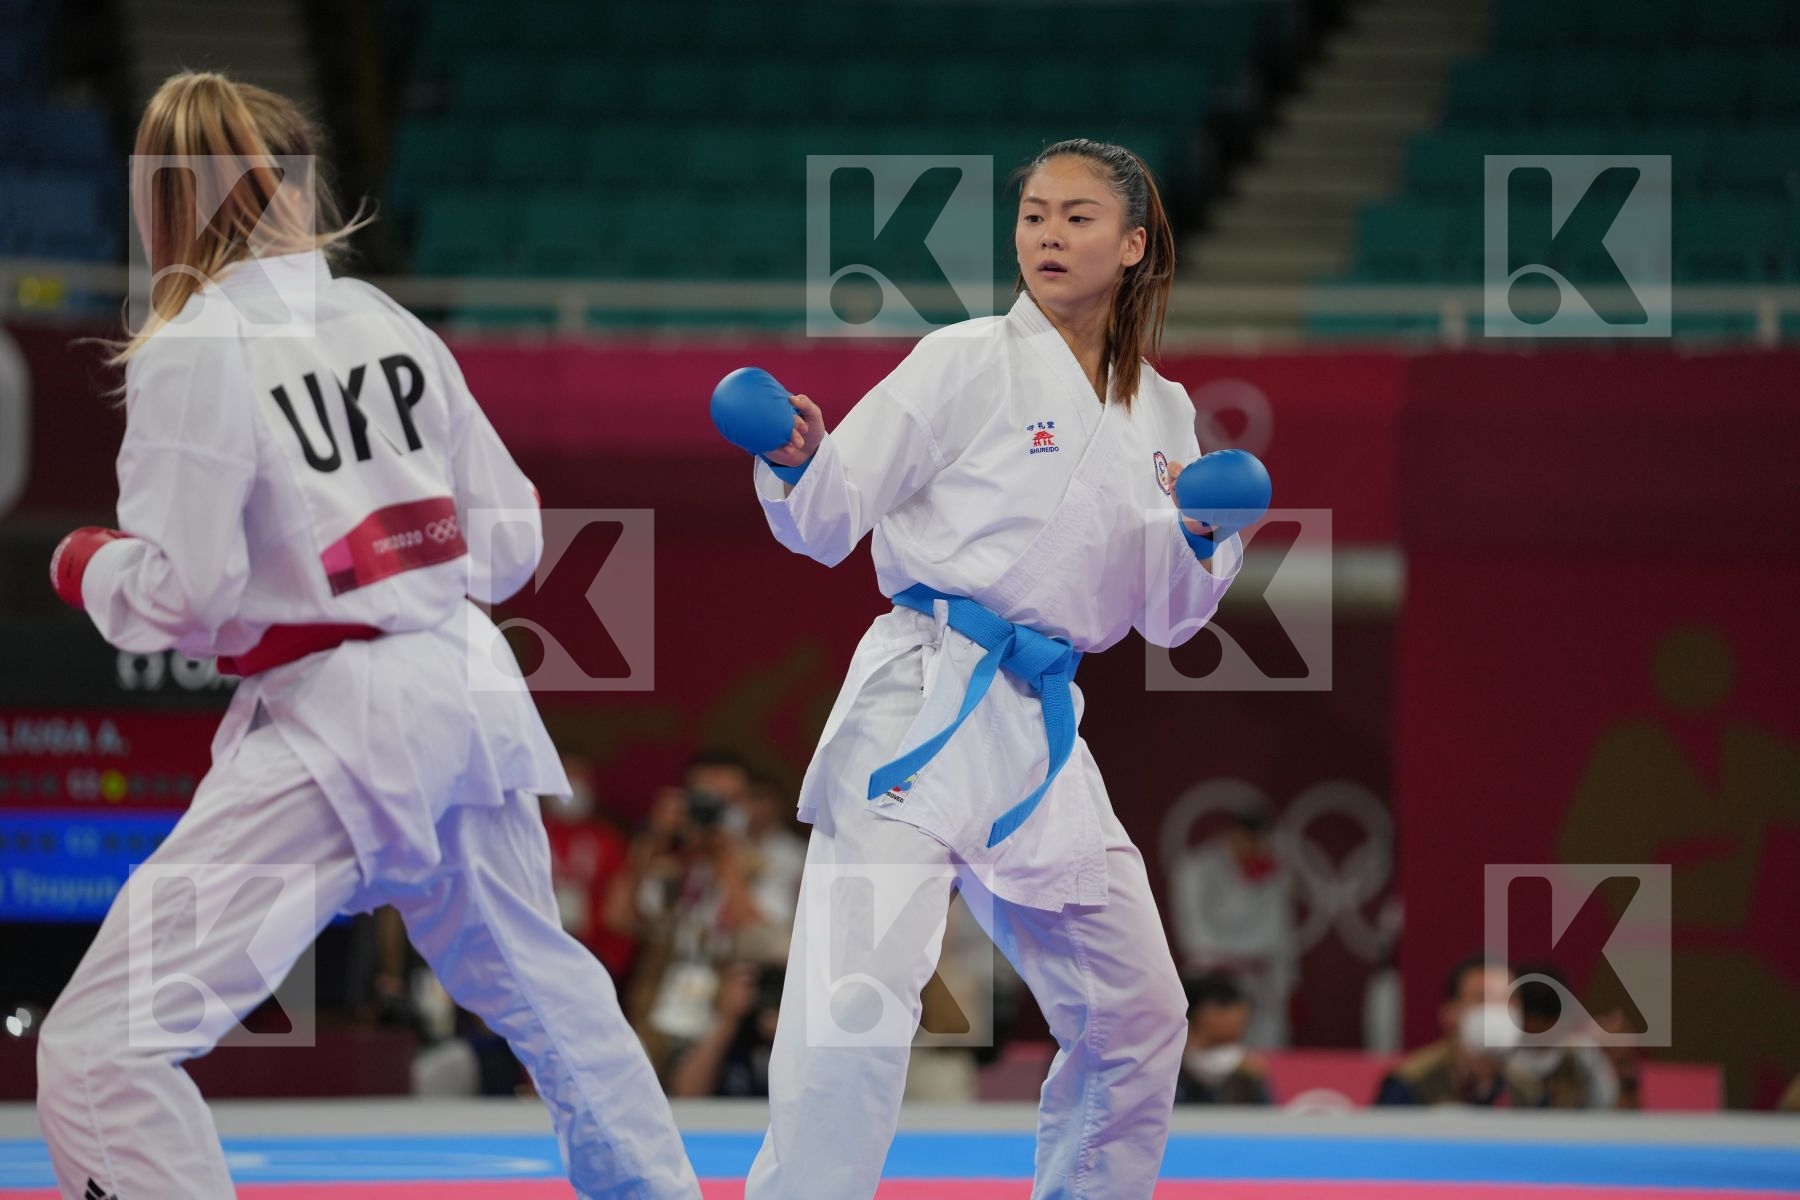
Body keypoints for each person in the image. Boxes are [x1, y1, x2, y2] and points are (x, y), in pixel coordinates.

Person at [34, 72, 698, 1200]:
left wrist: (89, 566)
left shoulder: (193, 346)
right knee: (547, 991)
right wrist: (390, 551)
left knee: (101, 1044)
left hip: (336, 721)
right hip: (467, 693)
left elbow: (188, 598)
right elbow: (512, 545)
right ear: (298, 187)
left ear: (158, 207)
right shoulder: (383, 318)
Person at [740, 139, 1245, 1199]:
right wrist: (795, 459)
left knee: (1139, 1009)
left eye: (1076, 218)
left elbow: (1168, 620)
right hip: (921, 700)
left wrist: (1204, 537)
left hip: (1040, 729)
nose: (1049, 236)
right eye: (1033, 217)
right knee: (861, 994)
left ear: (1135, 243)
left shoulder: (1163, 412)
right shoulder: (963, 357)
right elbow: (832, 516)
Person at [1374, 953, 1544, 1107]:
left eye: (1508, 1000)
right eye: (1482, 998)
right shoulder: (1410, 1085)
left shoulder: (1529, 1090)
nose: (1497, 1011)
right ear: (1450, 1013)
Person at [1174, 972, 1273, 1105]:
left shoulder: (1248, 1075)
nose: (1242, 1026)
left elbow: (1266, 1121)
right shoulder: (1169, 1068)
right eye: (1237, 1016)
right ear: (1206, 1013)